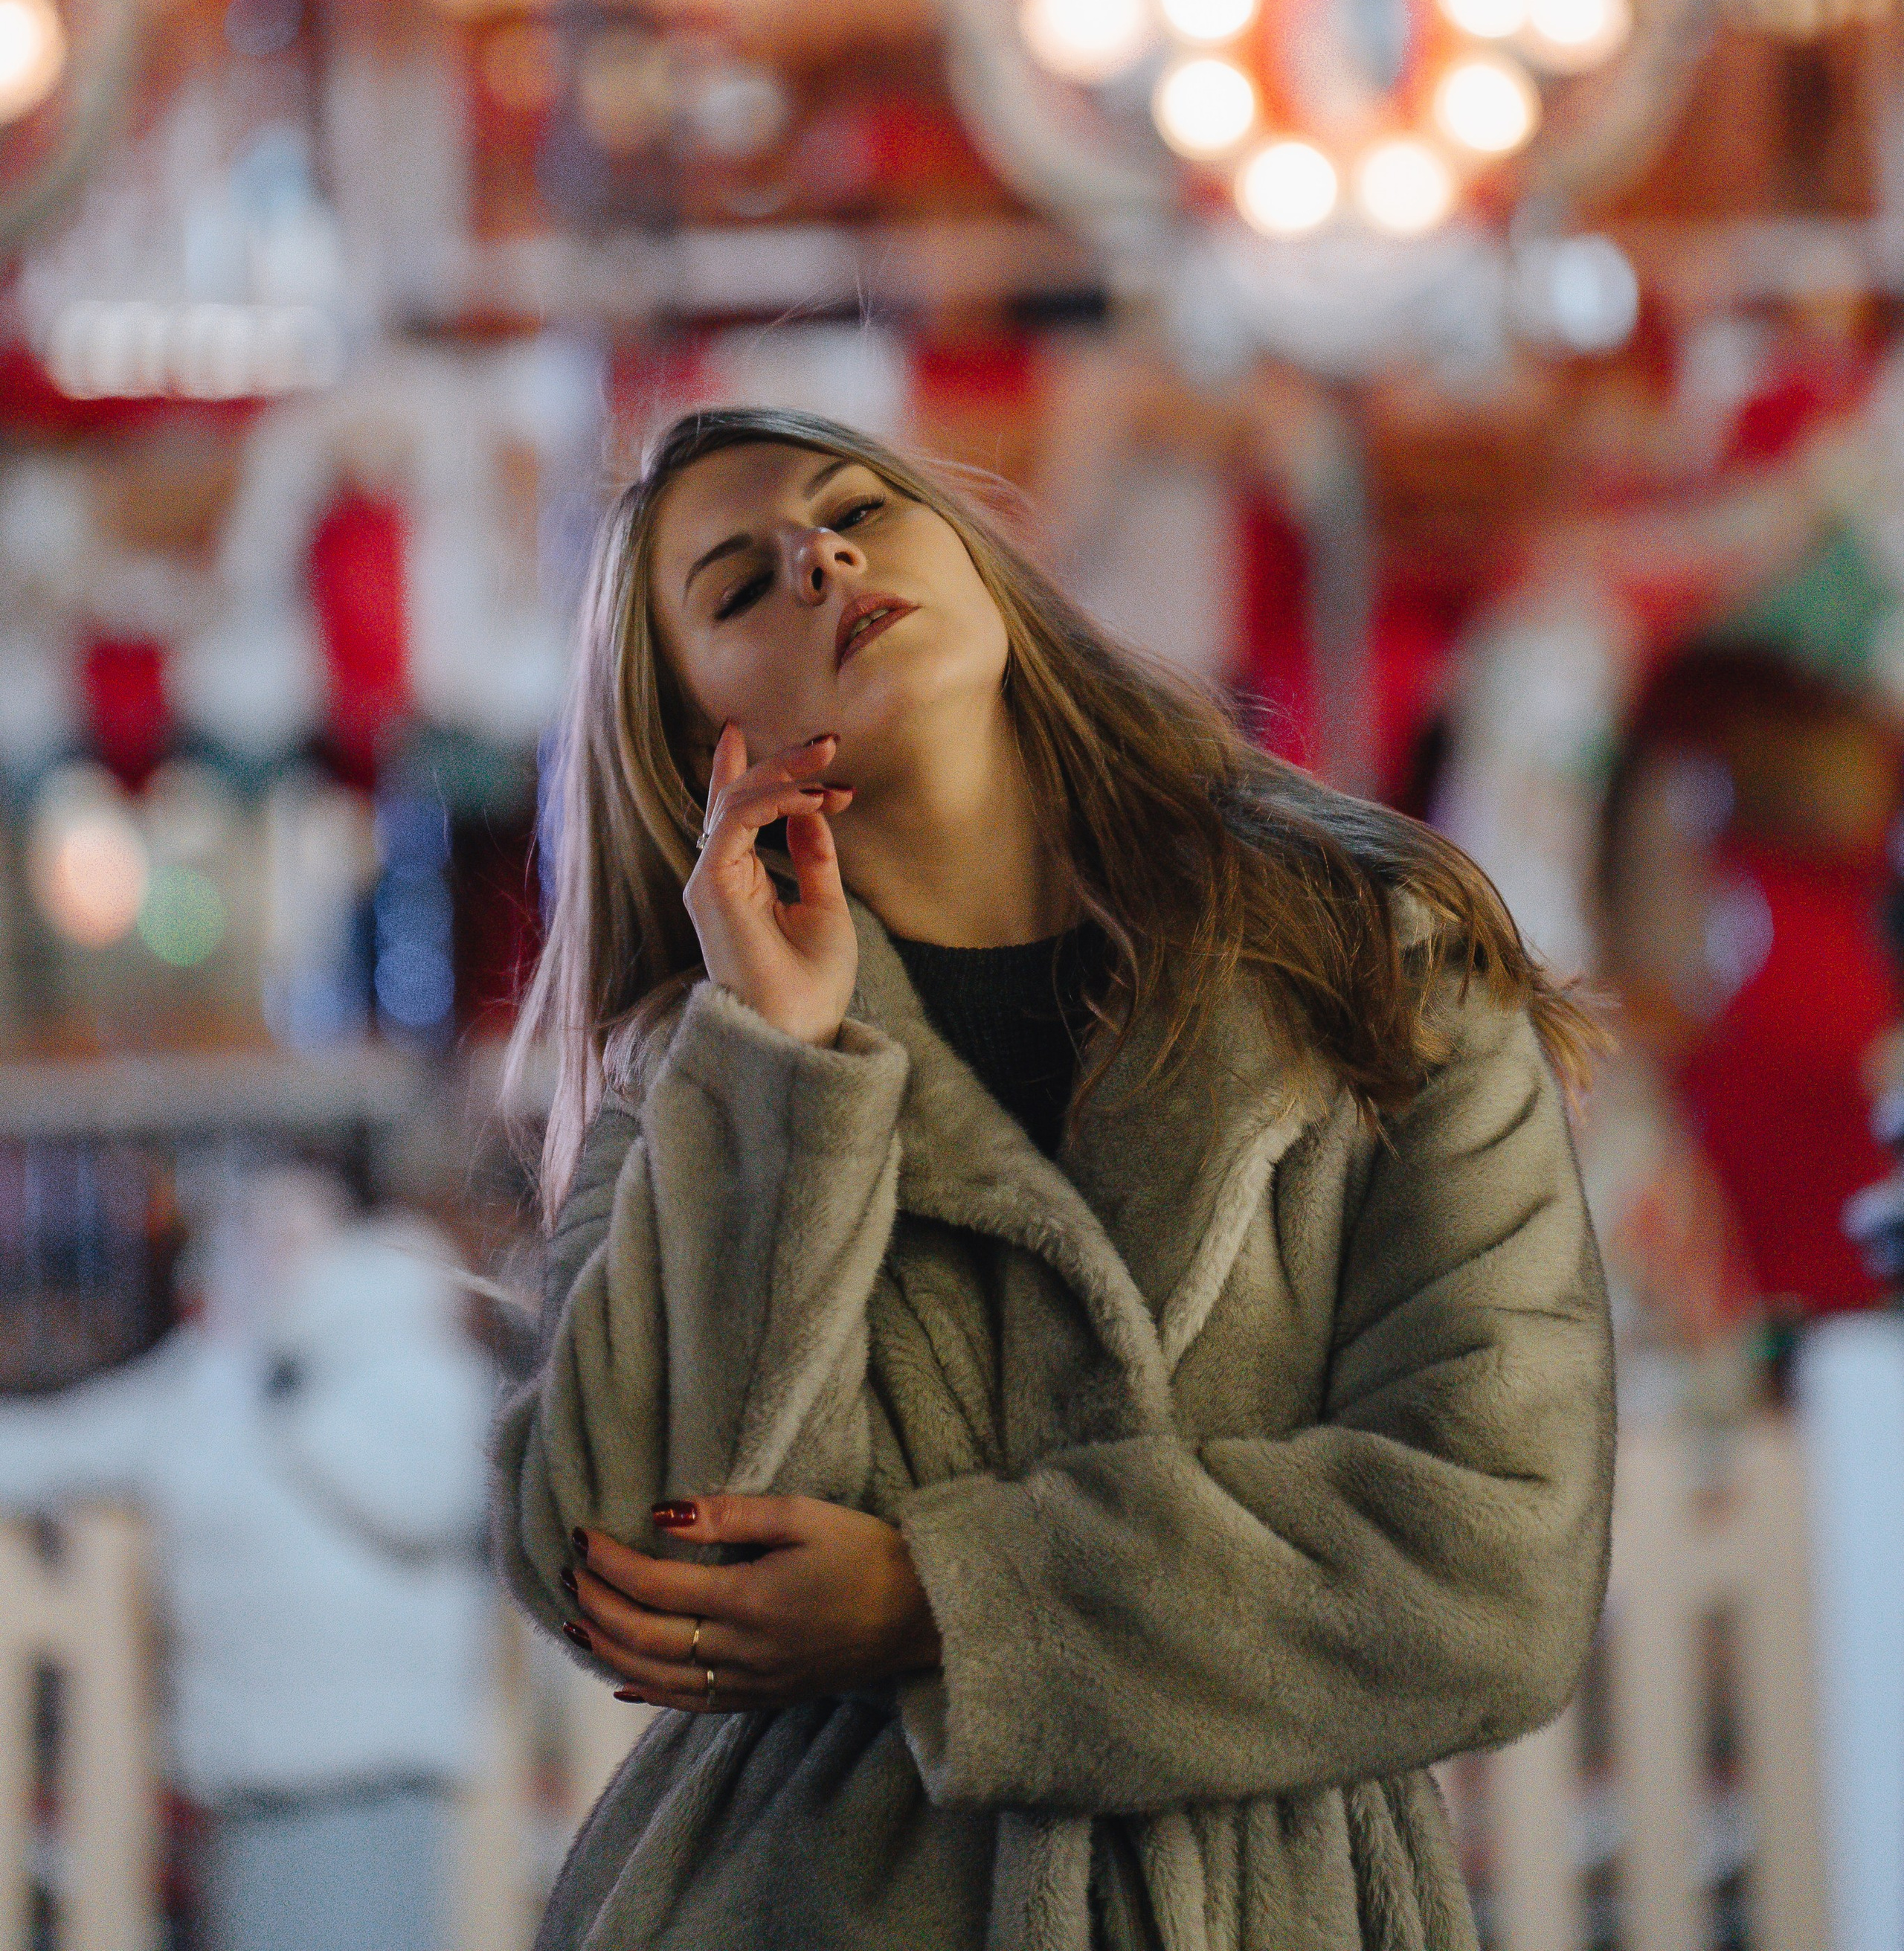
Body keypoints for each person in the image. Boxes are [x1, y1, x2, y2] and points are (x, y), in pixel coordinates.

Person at [495, 405, 1615, 1951]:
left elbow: (1494, 1567)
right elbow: (635, 1563)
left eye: (857, 512)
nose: (820, 557)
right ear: (699, 745)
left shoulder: (1376, 956)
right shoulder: (699, 1074)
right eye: (742, 587)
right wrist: (778, 1061)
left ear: (972, 557)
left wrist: (941, 1603)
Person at [0, 1166, 495, 1951]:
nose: (273, 1250)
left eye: (297, 1230)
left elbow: (428, 1498)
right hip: (243, 1761)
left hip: (366, 1770)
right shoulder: (217, 1371)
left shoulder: (407, 1358)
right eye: (256, 1229)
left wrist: (294, 1396)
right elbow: (80, 1441)